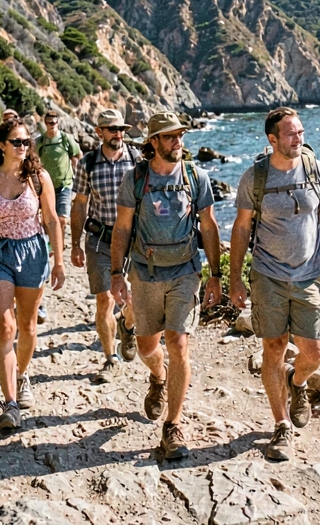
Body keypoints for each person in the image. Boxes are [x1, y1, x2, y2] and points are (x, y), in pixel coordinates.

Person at [228, 106, 320, 461]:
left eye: (300, 132)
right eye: (291, 134)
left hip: (309, 275)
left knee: (314, 353)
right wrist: (235, 278)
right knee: (274, 349)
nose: (299, 138)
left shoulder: (318, 171)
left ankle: (298, 383)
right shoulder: (255, 177)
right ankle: (281, 426)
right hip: (267, 276)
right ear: (273, 139)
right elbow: (240, 228)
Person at [109, 112, 221, 460]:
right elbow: (123, 227)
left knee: (179, 343)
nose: (178, 142)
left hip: (185, 271)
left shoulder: (196, 176)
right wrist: (116, 272)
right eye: (170, 137)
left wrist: (216, 274)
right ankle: (158, 377)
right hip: (145, 273)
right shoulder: (136, 178)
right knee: (147, 348)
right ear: (153, 142)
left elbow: (209, 227)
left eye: (180, 136)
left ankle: (172, 426)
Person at [0, 117, 66, 430]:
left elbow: (51, 220)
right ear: (2, 145)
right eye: (16, 142)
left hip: (33, 252)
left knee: (27, 326)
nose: (23, 147)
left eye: (26, 142)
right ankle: (10, 404)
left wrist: (58, 260)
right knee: (6, 328)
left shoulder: (38, 177)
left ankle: (22, 375)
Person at [70, 109, 141, 383]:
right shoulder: (87, 164)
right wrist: (75, 244)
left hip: (133, 241)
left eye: (121, 129)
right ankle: (110, 357)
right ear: (99, 131)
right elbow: (79, 205)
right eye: (112, 129)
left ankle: (128, 323)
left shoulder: (136, 161)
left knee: (135, 300)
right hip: (100, 241)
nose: (118, 134)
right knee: (104, 300)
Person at [36, 111, 82, 324]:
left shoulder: (66, 139)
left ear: (58, 123)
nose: (52, 125)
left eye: (54, 122)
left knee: (62, 219)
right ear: (45, 124)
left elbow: (77, 155)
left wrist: (77, 173)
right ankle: (51, 243)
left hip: (64, 184)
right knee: (47, 219)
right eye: (49, 123)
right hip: (46, 186)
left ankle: (58, 247)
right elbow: (34, 161)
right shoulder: (40, 142)